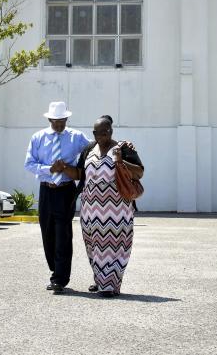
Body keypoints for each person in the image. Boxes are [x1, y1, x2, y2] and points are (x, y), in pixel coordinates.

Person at [57, 116, 144, 297]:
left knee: (117, 246)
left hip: (118, 210)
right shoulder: (89, 149)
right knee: (94, 246)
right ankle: (100, 280)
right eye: (97, 133)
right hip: (90, 210)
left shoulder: (123, 148)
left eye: (104, 132)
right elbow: (80, 174)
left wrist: (121, 161)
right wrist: (64, 167)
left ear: (111, 131)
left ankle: (110, 286)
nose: (100, 136)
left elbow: (139, 172)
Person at [24, 101, 91, 294]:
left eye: (63, 121)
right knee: (48, 233)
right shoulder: (38, 138)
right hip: (46, 189)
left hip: (65, 190)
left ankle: (60, 278)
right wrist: (49, 169)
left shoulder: (76, 137)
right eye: (56, 122)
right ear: (50, 119)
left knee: (63, 233)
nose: (60, 125)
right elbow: (29, 163)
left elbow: (93, 150)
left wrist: (75, 169)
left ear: (66, 119)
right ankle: (55, 269)